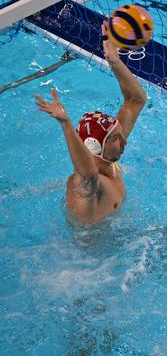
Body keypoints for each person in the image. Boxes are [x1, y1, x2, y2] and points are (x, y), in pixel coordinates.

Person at [34, 22, 147, 224]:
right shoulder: (84, 185)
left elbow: (136, 100)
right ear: (95, 146)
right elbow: (88, 174)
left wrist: (115, 62)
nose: (124, 142)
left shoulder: (109, 155)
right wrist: (66, 124)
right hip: (94, 254)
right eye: (116, 138)